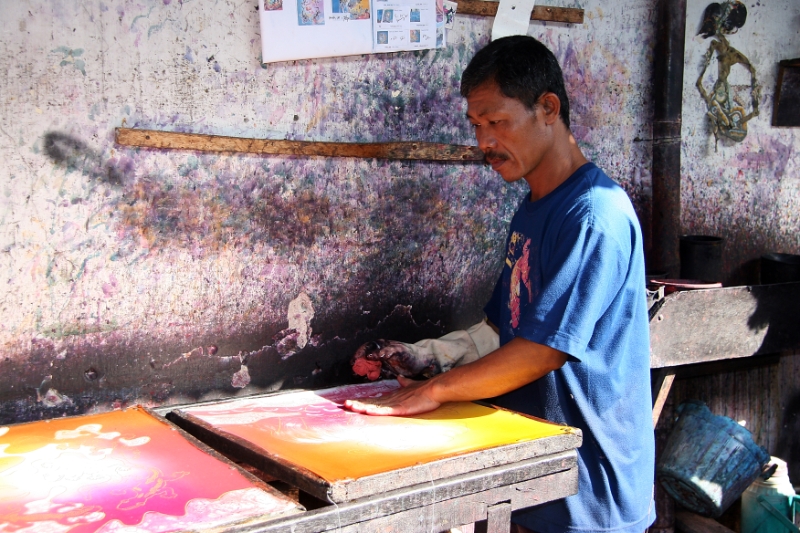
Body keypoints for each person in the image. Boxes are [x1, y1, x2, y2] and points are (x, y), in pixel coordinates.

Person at [344, 35, 655, 533]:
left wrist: (439, 390)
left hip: (586, 489)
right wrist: (431, 356)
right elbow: (504, 327)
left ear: (547, 108)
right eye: (476, 125)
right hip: (531, 474)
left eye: (497, 122)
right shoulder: (534, 206)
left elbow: (541, 351)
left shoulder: (594, 215)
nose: (484, 141)